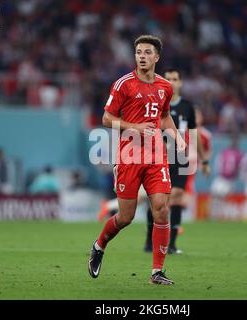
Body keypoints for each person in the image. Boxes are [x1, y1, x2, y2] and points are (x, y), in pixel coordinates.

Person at [87, 35, 186, 285]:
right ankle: (99, 246)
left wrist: (178, 138)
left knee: (162, 209)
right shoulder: (123, 85)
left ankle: (157, 272)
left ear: (157, 57)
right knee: (126, 217)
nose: (141, 56)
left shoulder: (165, 87)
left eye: (146, 52)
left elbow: (164, 117)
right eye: (138, 52)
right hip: (129, 156)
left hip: (156, 156)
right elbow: (106, 119)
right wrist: (135, 127)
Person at [143, 69, 210, 254]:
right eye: (168, 79)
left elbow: (195, 136)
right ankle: (150, 240)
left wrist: (204, 160)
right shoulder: (155, 102)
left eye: (175, 79)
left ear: (180, 83)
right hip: (159, 157)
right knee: (158, 201)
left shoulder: (187, 107)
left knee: (178, 196)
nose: (171, 82)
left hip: (180, 157)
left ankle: (171, 244)